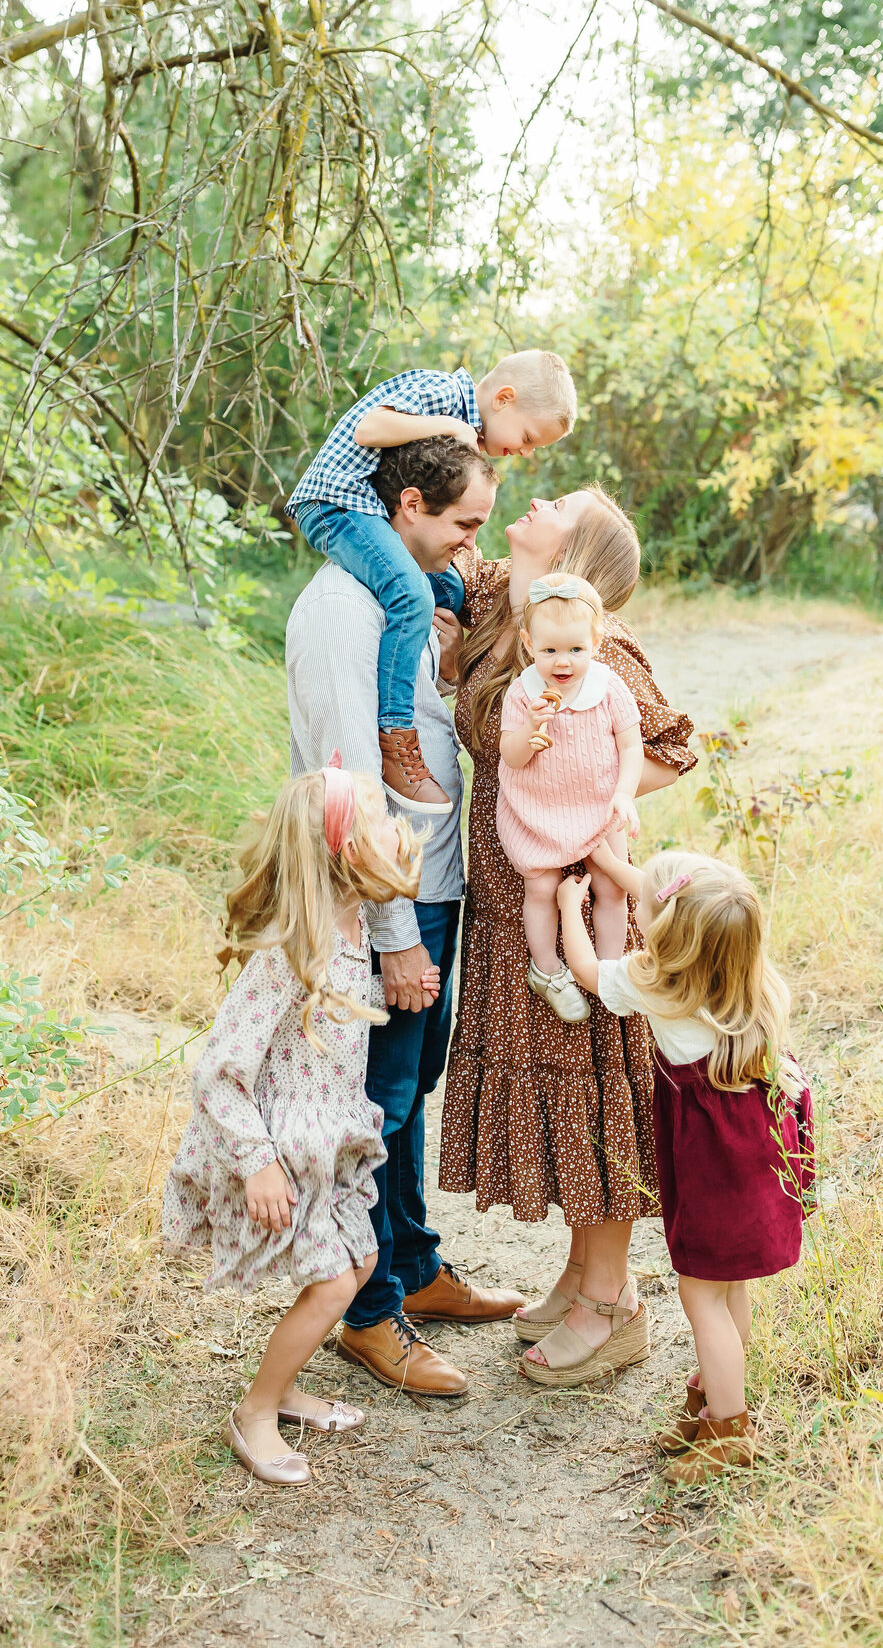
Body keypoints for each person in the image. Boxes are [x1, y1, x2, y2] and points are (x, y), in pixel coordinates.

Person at [437, 488, 697, 1388]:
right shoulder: (507, 605)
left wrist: (590, 818)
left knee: (592, 1084)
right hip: (514, 889)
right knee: (560, 1075)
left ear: (579, 547)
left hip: (576, 891)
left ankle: (612, 1302)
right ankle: (584, 1276)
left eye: (561, 502)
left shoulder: (600, 648)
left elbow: (670, 746)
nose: (537, 495)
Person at [287, 436, 523, 1400]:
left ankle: (415, 1267)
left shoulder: (413, 598)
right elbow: (349, 782)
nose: (474, 544)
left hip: (436, 885)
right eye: (464, 523)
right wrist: (392, 941)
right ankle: (368, 1313)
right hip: (384, 901)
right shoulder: (344, 610)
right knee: (377, 1105)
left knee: (411, 1083)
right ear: (409, 504)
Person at [161, 765, 422, 1488]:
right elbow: (218, 1068)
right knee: (337, 1283)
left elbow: (332, 1007)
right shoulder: (286, 951)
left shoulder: (352, 922)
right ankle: (255, 1410)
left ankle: (285, 1387)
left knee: (361, 1264)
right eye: (375, 822)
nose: (393, 831)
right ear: (344, 853)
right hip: (280, 1145)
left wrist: (380, 989)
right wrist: (257, 1161)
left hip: (329, 1137)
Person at [555, 850, 815, 1481]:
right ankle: (713, 1395)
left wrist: (569, 907)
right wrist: (614, 860)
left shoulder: (658, 984)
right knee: (728, 1290)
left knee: (700, 1296)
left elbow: (587, 970)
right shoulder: (750, 983)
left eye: (646, 907)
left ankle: (730, 1432)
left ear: (668, 941)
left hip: (714, 1168)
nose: (637, 904)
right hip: (759, 1157)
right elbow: (658, 888)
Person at [286, 351, 577, 814]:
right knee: (411, 592)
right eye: (527, 438)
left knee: (448, 591)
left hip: (368, 507)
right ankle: (396, 732)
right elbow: (368, 429)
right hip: (337, 503)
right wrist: (453, 429)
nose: (526, 451)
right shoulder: (440, 391)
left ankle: (436, 674)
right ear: (503, 399)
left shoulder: (461, 423)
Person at [497, 570, 644, 1023]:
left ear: (596, 642)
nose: (563, 662)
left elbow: (630, 746)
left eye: (576, 649)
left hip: (600, 806)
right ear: (528, 643)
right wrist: (530, 730)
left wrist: (624, 794)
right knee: (540, 886)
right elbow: (511, 755)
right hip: (538, 807)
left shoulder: (608, 687)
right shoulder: (523, 693)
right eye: (550, 650)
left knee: (612, 886)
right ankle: (547, 970)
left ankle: (609, 969)